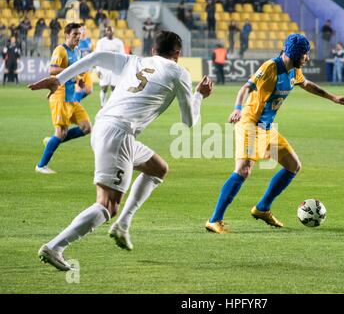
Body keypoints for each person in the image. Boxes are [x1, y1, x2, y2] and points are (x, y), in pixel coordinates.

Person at [29, 31, 213, 271]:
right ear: (178, 54)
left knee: (158, 168)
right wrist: (199, 95)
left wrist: (59, 78)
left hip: (105, 126)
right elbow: (189, 121)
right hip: (119, 134)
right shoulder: (179, 72)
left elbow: (96, 56)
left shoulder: (135, 61)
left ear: (153, 50)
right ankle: (56, 247)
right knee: (107, 205)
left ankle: (123, 225)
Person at [205, 34, 344, 234]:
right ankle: (214, 220)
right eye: (305, 55)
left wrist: (333, 98)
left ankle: (262, 208)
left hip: (266, 127)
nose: (307, 58)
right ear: (296, 54)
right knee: (243, 170)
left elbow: (308, 85)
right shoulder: (270, 67)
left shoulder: (294, 71)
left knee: (293, 166)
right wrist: (237, 108)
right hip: (250, 123)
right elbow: (245, 87)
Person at [34, 23, 92, 174]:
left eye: (79, 34)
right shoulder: (60, 50)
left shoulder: (78, 51)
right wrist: (71, 71)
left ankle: (52, 141)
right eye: (75, 34)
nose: (78, 37)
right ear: (66, 35)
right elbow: (52, 70)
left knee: (86, 128)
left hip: (72, 97)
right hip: (60, 96)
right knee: (61, 133)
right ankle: (41, 166)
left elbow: (74, 72)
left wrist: (78, 78)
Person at [95, 26, 125, 108]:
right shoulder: (101, 42)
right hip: (104, 68)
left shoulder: (119, 42)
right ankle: (102, 105)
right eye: (107, 31)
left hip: (115, 68)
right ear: (105, 32)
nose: (109, 32)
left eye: (111, 31)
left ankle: (110, 105)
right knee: (104, 87)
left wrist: (122, 68)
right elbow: (97, 56)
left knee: (114, 88)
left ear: (113, 32)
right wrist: (98, 69)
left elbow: (123, 55)